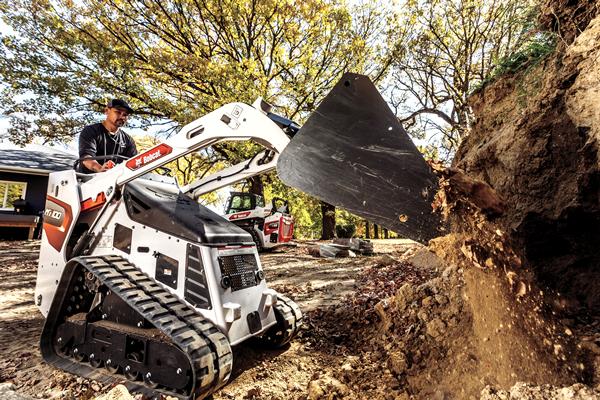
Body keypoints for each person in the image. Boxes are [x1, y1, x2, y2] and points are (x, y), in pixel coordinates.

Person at [79, 99, 138, 173]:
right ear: (107, 111)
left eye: (125, 115)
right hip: (88, 181)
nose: (122, 117)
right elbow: (86, 158)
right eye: (118, 112)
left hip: (115, 182)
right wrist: (100, 168)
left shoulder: (128, 141)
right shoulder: (91, 131)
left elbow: (135, 164)